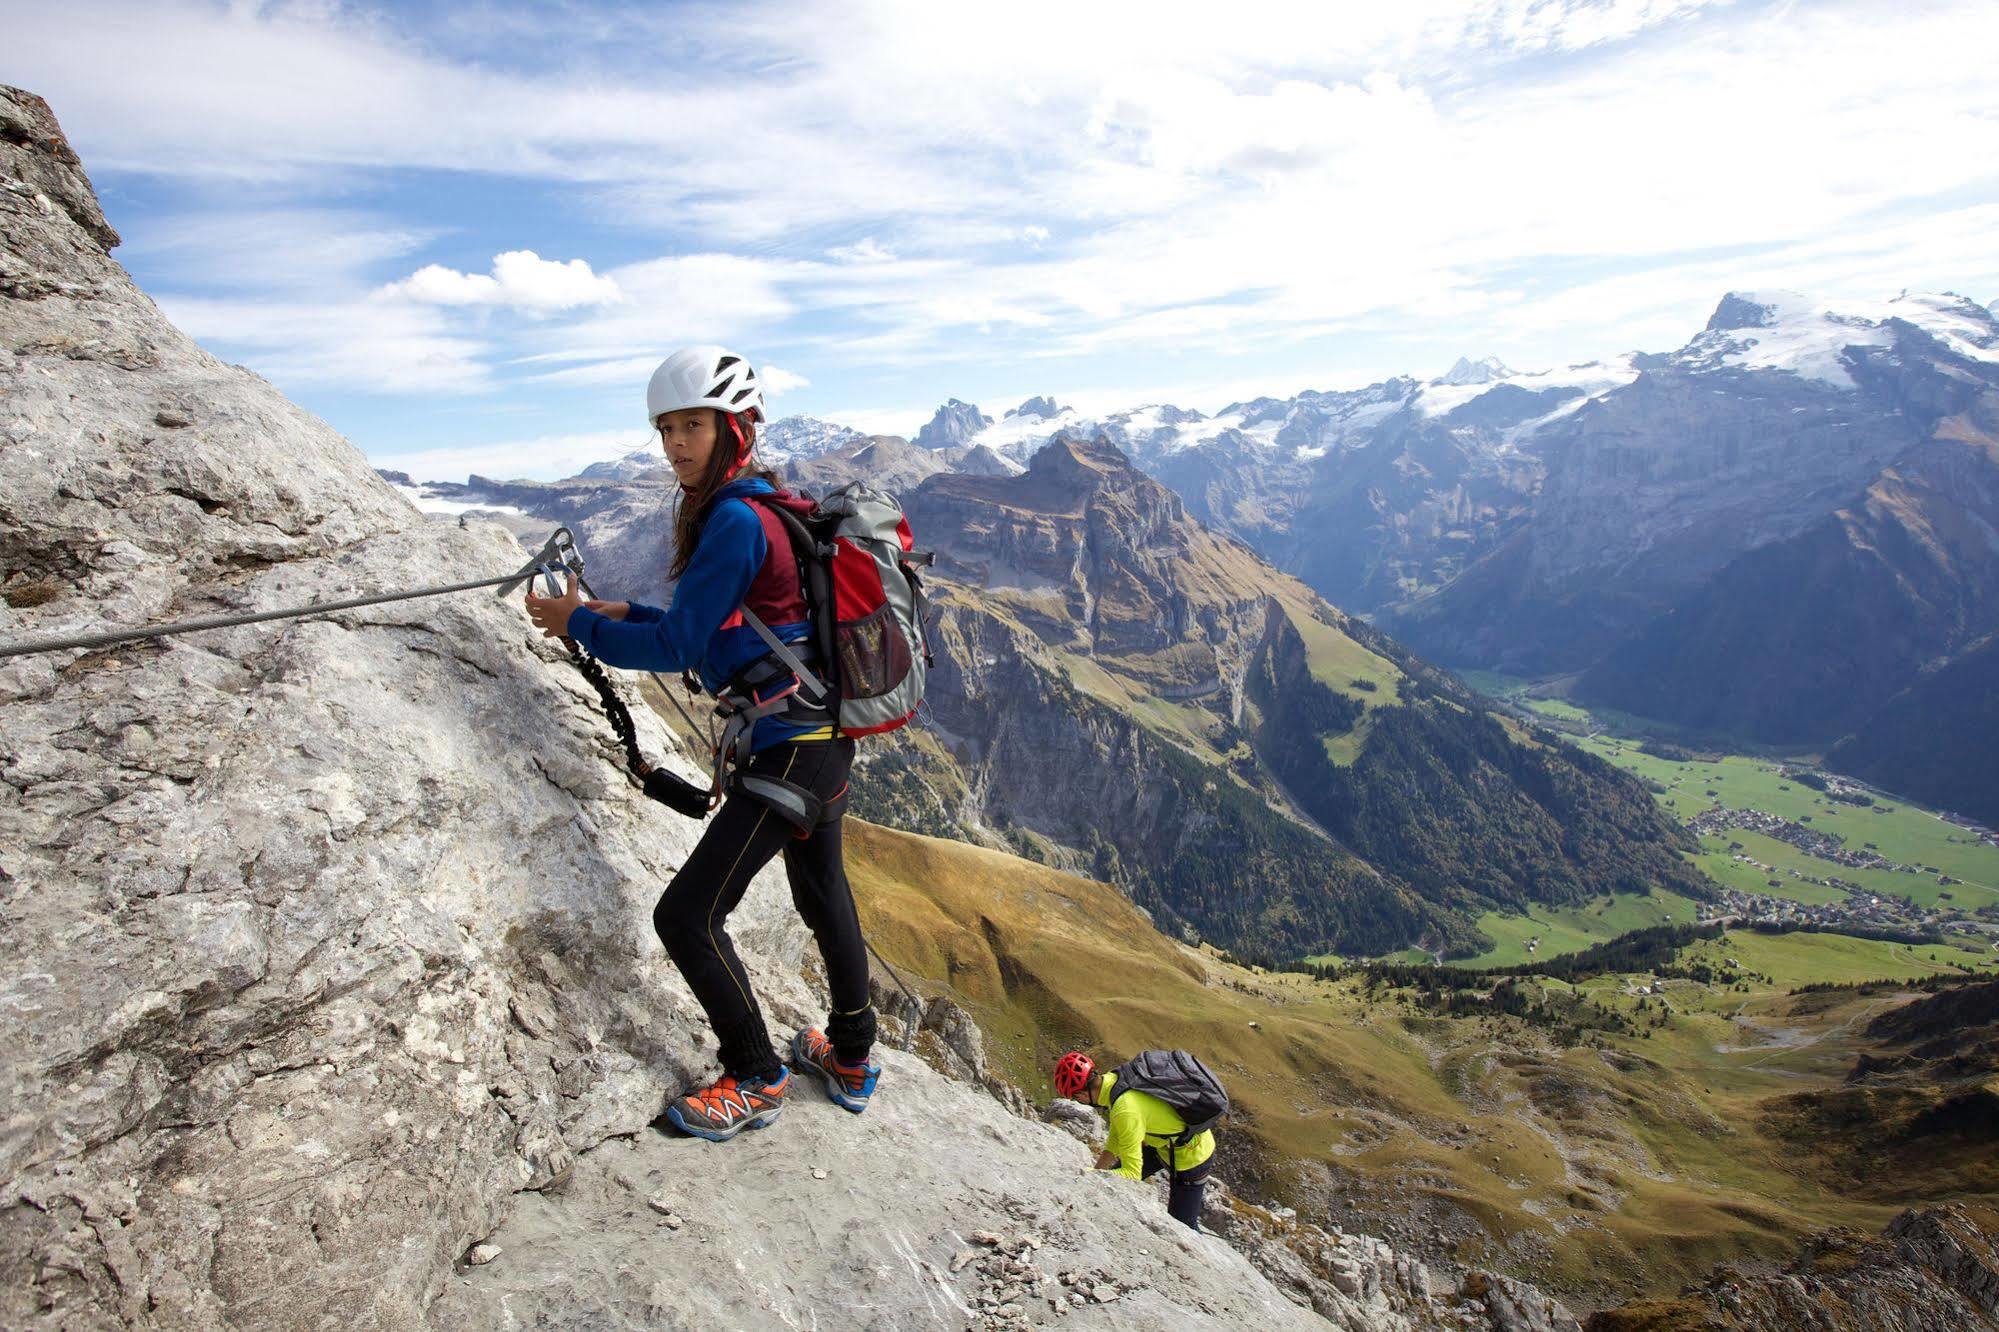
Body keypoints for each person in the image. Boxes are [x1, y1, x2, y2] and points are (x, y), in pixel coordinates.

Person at [524, 345, 880, 1142]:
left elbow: (684, 648)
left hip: (789, 751)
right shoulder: (760, 508)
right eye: (667, 429)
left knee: (687, 916)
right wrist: (623, 614)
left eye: (693, 426)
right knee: (824, 897)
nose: (677, 443)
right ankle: (851, 1055)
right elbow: (719, 634)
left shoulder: (729, 519)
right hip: (822, 740)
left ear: (736, 428)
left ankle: (755, 1074)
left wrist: (575, 622)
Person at [1054, 1051, 1216, 1232]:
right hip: (1160, 1143)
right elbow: (1114, 1142)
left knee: (1183, 1226)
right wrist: (1095, 1174)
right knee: (1112, 1179)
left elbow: (1131, 1173)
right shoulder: (1115, 1081)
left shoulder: (1124, 1108)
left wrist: (1089, 1175)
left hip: (1192, 1156)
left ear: (1082, 1096)